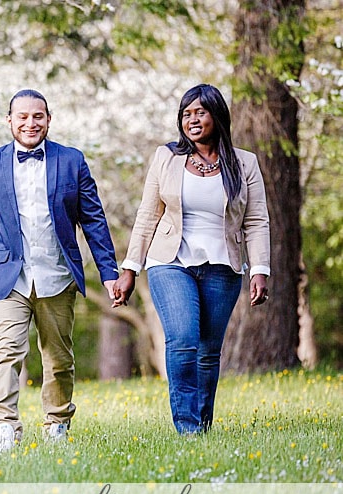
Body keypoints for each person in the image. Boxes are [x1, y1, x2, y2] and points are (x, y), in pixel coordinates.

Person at [0, 89, 119, 454]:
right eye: (23, 117)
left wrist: (109, 272)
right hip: (10, 275)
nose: (31, 123)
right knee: (6, 352)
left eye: (38, 116)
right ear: (9, 120)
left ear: (49, 119)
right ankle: (3, 428)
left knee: (58, 357)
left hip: (57, 275)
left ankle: (57, 424)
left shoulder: (72, 161)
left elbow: (93, 220)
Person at [111, 83, 271, 435]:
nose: (192, 119)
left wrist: (260, 269)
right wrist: (129, 268)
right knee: (183, 339)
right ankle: (186, 428)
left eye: (200, 112)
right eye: (186, 114)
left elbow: (256, 219)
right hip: (170, 263)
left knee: (208, 351)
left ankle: (202, 424)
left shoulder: (245, 163)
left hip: (223, 267)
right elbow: (147, 215)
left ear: (217, 115)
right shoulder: (167, 158)